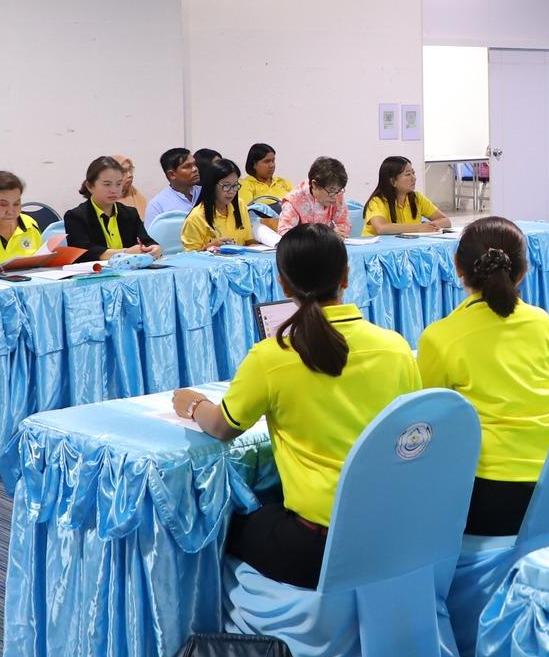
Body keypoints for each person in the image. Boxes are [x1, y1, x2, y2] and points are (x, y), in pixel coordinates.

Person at [172, 224, 418, 588]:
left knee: (223, 525)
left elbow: (223, 427)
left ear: (284, 286)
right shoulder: (395, 347)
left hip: (320, 546)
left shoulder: (272, 355)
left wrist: (194, 404)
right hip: (391, 532)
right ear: (346, 276)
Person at [417, 217, 549, 537]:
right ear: (523, 271)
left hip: (490, 495)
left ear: (457, 267)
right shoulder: (544, 323)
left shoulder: (440, 338)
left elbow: (429, 433)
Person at [63, 155, 161, 259]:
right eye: (107, 184)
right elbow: (82, 253)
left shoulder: (130, 213)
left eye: (118, 184)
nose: (114, 190)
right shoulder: (75, 216)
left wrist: (155, 248)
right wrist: (125, 252)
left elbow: (146, 241)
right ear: (90, 186)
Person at [364, 155, 451, 236]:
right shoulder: (377, 201)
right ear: (392, 181)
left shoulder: (417, 198)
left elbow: (446, 221)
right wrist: (418, 228)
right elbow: (381, 228)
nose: (414, 178)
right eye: (408, 174)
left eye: (413, 173)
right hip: (376, 246)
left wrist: (429, 226)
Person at [181, 157, 252, 250]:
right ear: (212, 186)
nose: (231, 191)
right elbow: (189, 256)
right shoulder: (196, 217)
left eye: (235, 185)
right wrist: (209, 247)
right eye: (226, 185)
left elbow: (248, 241)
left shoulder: (240, 205)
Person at [277, 156, 352, 236]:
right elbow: (284, 233)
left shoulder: (336, 194)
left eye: (339, 190)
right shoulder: (294, 201)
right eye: (331, 190)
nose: (335, 196)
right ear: (315, 185)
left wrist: (340, 233)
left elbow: (344, 224)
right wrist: (326, 235)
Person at [144, 147, 199, 221]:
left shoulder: (207, 192)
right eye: (187, 166)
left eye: (194, 164)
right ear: (171, 174)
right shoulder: (158, 206)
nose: (195, 169)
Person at [239, 143, 292, 208]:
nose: (272, 165)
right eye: (267, 161)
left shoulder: (283, 182)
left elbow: (297, 205)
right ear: (254, 164)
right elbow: (246, 211)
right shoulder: (246, 185)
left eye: (273, 161)